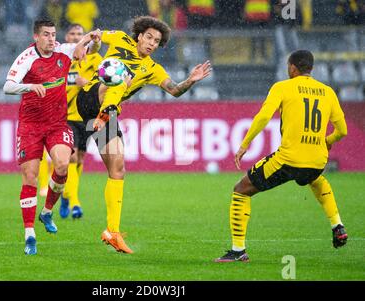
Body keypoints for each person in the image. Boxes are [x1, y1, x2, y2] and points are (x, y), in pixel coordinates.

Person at [76, 16, 212, 254]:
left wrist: (190, 80)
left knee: (117, 168)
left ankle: (112, 232)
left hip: (105, 114)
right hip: (90, 98)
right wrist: (83, 43)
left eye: (157, 41)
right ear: (139, 35)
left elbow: (174, 90)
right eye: (149, 37)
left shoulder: (152, 69)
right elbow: (96, 34)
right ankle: (107, 111)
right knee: (119, 75)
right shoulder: (119, 38)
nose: (151, 43)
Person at [215, 50, 348, 262]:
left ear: (293, 67)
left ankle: (238, 251)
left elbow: (264, 116)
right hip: (317, 160)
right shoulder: (328, 92)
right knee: (315, 179)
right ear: (310, 68)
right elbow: (343, 130)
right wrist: (327, 141)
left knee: (241, 190)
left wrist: (245, 144)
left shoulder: (283, 87)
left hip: (288, 159)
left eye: (289, 67)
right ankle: (337, 225)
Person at [3, 19, 101, 255]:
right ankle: (29, 235)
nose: (51, 39)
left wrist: (93, 38)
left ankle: (47, 212)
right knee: (30, 177)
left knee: (62, 166)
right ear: (36, 37)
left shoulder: (63, 50)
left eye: (53, 34)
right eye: (46, 35)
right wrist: (28, 87)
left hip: (58, 123)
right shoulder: (26, 58)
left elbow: (89, 46)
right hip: (30, 126)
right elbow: (8, 85)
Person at [38, 23, 103, 219]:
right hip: (64, 116)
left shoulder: (95, 58)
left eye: (80, 34)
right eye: (73, 34)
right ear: (66, 37)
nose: (76, 37)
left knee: (80, 158)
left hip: (86, 116)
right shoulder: (62, 59)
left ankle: (66, 194)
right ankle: (75, 202)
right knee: (72, 157)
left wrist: (89, 83)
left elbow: (103, 83)